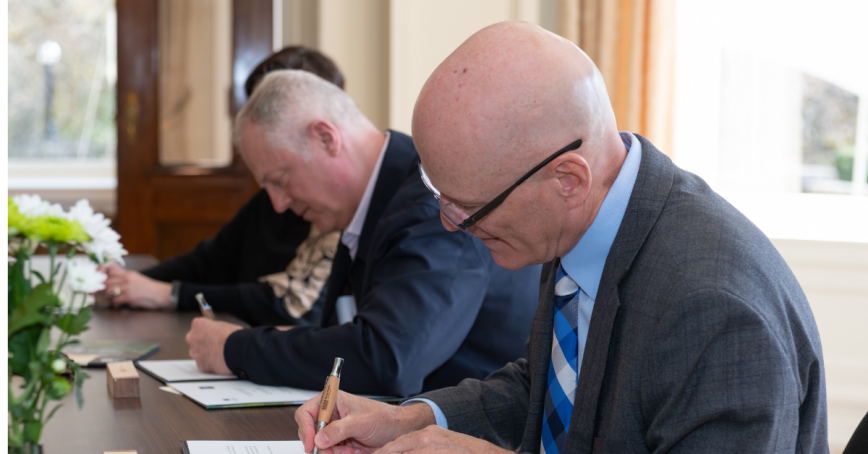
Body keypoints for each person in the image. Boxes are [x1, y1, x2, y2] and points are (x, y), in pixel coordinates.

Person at [295, 21, 828, 453]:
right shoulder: (586, 217)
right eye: (441, 195)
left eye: (471, 208)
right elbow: (553, 389)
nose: (449, 224)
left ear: (567, 179)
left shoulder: (714, 311)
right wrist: (410, 418)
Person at [184, 69, 541, 397]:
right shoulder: (377, 200)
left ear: (325, 138)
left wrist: (237, 348)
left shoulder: (431, 200)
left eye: (279, 181)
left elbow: (388, 359)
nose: (278, 204)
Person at [99, 46, 345, 327]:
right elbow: (210, 261)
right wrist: (134, 282)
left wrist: (168, 294)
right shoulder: (269, 200)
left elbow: (287, 303)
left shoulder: (337, 208)